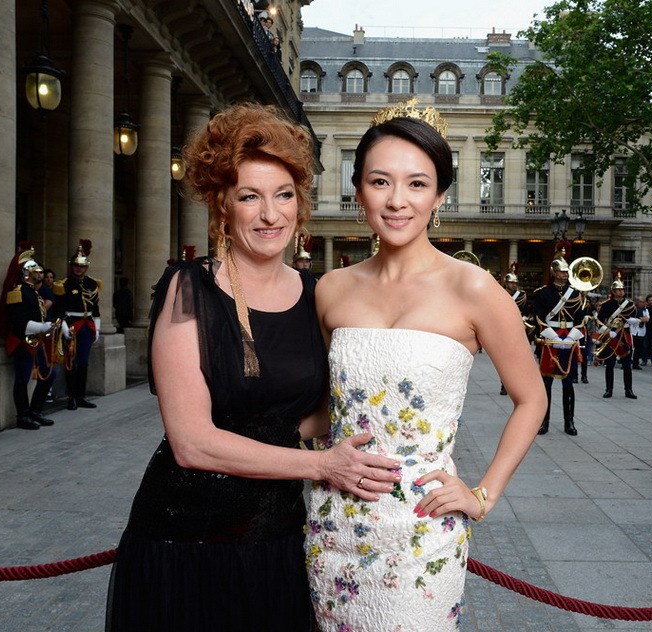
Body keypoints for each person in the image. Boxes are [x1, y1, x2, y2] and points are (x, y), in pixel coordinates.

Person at [105, 103, 401, 631]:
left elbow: (324, 408)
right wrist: (321, 464)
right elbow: (191, 442)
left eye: (284, 195)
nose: (271, 214)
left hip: (278, 536)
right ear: (222, 204)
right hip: (187, 539)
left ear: (301, 202)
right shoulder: (189, 287)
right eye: (250, 196)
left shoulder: (318, 295)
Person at [305, 100, 545, 631]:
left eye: (417, 184)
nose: (396, 201)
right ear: (358, 189)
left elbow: (532, 399)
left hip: (422, 525)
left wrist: (483, 494)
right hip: (334, 519)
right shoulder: (331, 289)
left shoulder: (475, 288)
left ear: (439, 196)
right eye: (379, 181)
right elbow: (326, 411)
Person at [0, 246, 58, 430]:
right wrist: (42, 327)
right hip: (23, 340)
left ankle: (35, 410)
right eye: (37, 270)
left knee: (49, 374)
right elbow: (18, 321)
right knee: (22, 379)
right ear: (27, 272)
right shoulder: (18, 291)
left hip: (36, 339)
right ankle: (22, 415)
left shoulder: (32, 291)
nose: (41, 273)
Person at [531, 253, 589, 435]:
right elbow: (538, 317)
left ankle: (569, 422)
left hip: (569, 340)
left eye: (567, 272)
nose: (565, 275)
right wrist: (551, 337)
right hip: (550, 340)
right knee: (546, 384)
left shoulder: (576, 293)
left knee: (568, 385)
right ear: (554, 273)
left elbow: (581, 319)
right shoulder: (542, 293)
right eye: (562, 272)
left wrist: (572, 338)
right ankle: (544, 422)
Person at [53, 240, 101, 410]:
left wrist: (98, 327)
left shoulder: (92, 284)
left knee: (84, 362)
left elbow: (95, 308)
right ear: (72, 266)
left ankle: (81, 396)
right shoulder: (64, 284)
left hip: (87, 325)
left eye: (81, 266)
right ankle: (71, 396)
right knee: (71, 362)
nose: (78, 269)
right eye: (75, 266)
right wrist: (64, 327)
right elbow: (58, 310)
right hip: (72, 325)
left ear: (86, 267)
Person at [595, 274, 638, 399]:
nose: (621, 292)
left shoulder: (629, 304)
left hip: (624, 335)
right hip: (611, 336)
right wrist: (607, 331)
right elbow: (598, 320)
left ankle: (628, 390)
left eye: (622, 290)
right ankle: (609, 389)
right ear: (613, 291)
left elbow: (634, 317)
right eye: (618, 290)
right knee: (610, 363)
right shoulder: (606, 304)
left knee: (627, 365)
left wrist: (634, 321)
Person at [498, 269, 527, 396]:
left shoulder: (521, 295)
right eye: (511, 283)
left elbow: (525, 310)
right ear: (506, 283)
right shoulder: (499, 294)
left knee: (517, 358)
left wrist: (524, 318)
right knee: (504, 359)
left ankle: (515, 384)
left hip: (517, 328)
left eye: (515, 283)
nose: (514, 285)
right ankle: (504, 384)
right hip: (503, 329)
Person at [630, 297, 649, 369]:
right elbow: (630, 319)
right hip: (633, 331)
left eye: (643, 302)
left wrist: (640, 319)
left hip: (641, 331)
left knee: (638, 348)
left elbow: (647, 319)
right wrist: (640, 319)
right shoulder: (633, 309)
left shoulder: (645, 310)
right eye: (640, 302)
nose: (642, 303)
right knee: (631, 348)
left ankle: (636, 364)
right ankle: (627, 363)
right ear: (637, 302)